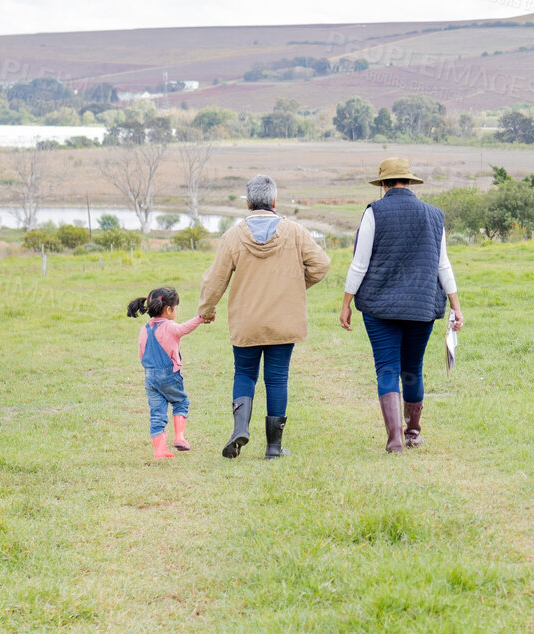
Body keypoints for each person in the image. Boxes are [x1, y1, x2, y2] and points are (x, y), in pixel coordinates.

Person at [198, 175, 331, 460]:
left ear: (247, 203)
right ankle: (273, 447)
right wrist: (294, 287)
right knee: (277, 379)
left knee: (244, 374)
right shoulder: (295, 232)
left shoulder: (233, 236)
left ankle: (240, 429)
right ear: (274, 202)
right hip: (284, 320)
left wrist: (206, 310)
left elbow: (214, 280)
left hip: (246, 322)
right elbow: (321, 264)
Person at [337, 157, 464, 453]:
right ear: (409, 182)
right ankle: (413, 433)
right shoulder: (435, 216)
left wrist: (346, 303)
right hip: (421, 307)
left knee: (386, 369)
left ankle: (394, 440)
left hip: (379, 308)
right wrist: (456, 305)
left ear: (383, 184)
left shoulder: (374, 212)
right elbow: (442, 265)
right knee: (413, 369)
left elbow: (359, 264)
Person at [127, 286, 206, 460]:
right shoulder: (170, 326)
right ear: (169, 309)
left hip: (150, 376)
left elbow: (141, 353)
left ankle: (160, 450)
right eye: (175, 308)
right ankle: (179, 438)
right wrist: (200, 319)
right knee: (181, 402)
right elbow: (185, 328)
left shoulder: (144, 328)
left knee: (156, 413)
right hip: (169, 374)